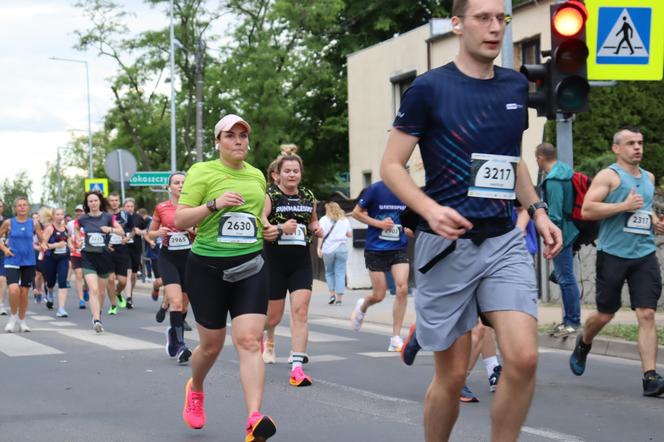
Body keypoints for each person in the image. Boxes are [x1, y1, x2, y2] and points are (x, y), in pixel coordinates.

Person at [380, 0, 563, 440]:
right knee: (453, 374)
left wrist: (537, 210)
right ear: (457, 24)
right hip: (444, 247)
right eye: (482, 18)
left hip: (502, 240)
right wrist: (428, 209)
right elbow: (390, 165)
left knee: (524, 359)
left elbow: (510, 159)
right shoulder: (428, 88)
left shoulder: (514, 86)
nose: (494, 28)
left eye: (501, 19)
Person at [175, 114, 277, 440]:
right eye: (230, 136)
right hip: (207, 269)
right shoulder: (202, 172)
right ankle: (197, 387)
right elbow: (180, 219)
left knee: (249, 341)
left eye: (243, 136)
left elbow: (256, 216)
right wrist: (213, 204)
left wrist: (267, 228)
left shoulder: (257, 176)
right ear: (218, 141)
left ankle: (253, 418)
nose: (238, 141)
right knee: (211, 345)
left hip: (250, 267)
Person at [570, 126, 664, 397]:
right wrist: (622, 206)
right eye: (631, 143)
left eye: (640, 143)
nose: (637, 148)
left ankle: (650, 376)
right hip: (612, 254)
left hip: (643, 254)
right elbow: (587, 209)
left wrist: (654, 223)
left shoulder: (648, 177)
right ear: (616, 149)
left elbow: (642, 209)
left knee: (646, 313)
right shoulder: (609, 176)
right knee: (605, 313)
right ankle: (584, 341)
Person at [261, 144, 322, 387]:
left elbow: (312, 221)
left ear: (300, 173)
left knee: (300, 312)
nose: (292, 175)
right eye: (288, 171)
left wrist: (316, 228)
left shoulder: (308, 196)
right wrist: (279, 228)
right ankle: (269, 337)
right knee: (272, 317)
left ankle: (297, 367)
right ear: (279, 173)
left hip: (300, 263)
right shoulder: (271, 195)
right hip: (274, 262)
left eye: (296, 171)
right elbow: (261, 220)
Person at [350, 180, 412, 351]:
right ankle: (363, 306)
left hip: (398, 247)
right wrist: (379, 224)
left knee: (402, 288)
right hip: (375, 248)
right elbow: (356, 213)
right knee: (379, 295)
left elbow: (409, 217)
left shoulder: (407, 188)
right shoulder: (375, 189)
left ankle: (396, 338)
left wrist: (409, 228)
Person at [536, 142, 581, 337]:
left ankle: (572, 321)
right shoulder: (566, 172)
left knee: (565, 278)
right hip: (572, 229)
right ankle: (569, 320)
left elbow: (554, 214)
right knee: (564, 277)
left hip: (561, 233)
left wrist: (550, 240)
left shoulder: (553, 180)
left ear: (540, 158)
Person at [148, 172, 194, 364]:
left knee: (183, 305)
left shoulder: (194, 207)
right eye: (176, 183)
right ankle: (181, 345)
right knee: (175, 302)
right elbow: (150, 234)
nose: (180, 185)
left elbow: (203, 231)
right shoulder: (161, 208)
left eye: (184, 182)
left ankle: (173, 334)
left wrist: (194, 230)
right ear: (169, 187)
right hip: (168, 259)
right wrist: (158, 233)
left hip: (190, 258)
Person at [75, 191, 124, 333]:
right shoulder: (83, 219)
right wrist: (78, 239)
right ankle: (96, 319)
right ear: (87, 204)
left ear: (100, 202)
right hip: (88, 257)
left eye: (95, 200)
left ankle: (98, 313)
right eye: (90, 201)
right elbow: (77, 229)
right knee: (94, 289)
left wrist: (110, 229)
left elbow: (121, 232)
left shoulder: (108, 217)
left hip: (104, 256)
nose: (93, 203)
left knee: (101, 292)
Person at [0, 197, 47, 332]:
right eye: (19, 205)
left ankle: (22, 320)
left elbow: (42, 239)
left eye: (24, 205)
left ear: (28, 207)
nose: (22, 207)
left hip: (28, 261)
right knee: (14, 290)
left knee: (24, 293)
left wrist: (43, 245)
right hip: (12, 260)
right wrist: (4, 249)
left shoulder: (34, 223)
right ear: (15, 208)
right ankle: (13, 318)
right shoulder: (9, 223)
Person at [317, 202, 352, 305]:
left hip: (328, 249)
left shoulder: (323, 219)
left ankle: (332, 295)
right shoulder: (344, 220)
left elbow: (321, 235)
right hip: (342, 248)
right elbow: (349, 234)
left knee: (329, 272)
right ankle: (339, 298)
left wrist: (319, 248)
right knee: (340, 272)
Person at [42, 208, 71, 317]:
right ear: (53, 216)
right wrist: (55, 245)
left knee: (63, 281)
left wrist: (71, 245)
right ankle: (49, 292)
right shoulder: (50, 229)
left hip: (63, 258)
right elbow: (43, 245)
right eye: (57, 214)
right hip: (50, 258)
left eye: (61, 214)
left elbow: (68, 239)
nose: (60, 216)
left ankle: (61, 309)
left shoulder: (66, 228)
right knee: (51, 282)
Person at [106, 192, 130, 314]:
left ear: (119, 202)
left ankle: (118, 293)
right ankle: (113, 306)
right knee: (110, 279)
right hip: (108, 250)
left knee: (122, 281)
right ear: (108, 202)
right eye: (112, 200)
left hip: (121, 249)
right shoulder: (104, 216)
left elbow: (133, 229)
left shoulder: (125, 215)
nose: (114, 202)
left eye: (116, 200)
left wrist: (128, 237)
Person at [125, 197, 147, 308]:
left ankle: (130, 295)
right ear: (124, 207)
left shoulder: (138, 217)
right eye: (127, 206)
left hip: (136, 248)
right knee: (128, 273)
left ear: (134, 207)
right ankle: (128, 298)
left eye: (131, 206)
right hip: (124, 248)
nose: (129, 208)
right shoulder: (121, 218)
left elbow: (146, 230)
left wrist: (140, 231)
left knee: (133, 274)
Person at [68, 204, 89, 309]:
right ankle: (81, 300)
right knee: (79, 274)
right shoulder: (70, 224)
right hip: (75, 252)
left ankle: (86, 289)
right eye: (77, 211)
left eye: (80, 211)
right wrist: (70, 245)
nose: (78, 213)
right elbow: (67, 237)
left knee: (87, 276)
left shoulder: (89, 222)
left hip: (87, 252)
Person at [0, 199, 8, 316]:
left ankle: (1, 304)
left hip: (3, 252)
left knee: (2, 278)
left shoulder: (7, 222)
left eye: (0, 206)